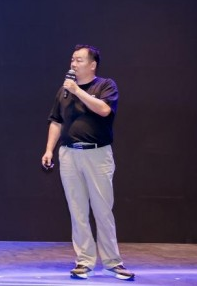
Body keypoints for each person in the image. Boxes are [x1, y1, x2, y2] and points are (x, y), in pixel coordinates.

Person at [42, 45, 136, 281]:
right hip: (69, 154)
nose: (73, 64)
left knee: (103, 210)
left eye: (79, 60)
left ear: (92, 64)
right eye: (72, 60)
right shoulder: (64, 90)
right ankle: (84, 261)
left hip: (97, 154)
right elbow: (56, 121)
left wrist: (77, 91)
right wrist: (49, 150)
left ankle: (113, 262)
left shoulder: (105, 85)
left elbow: (104, 110)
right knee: (78, 211)